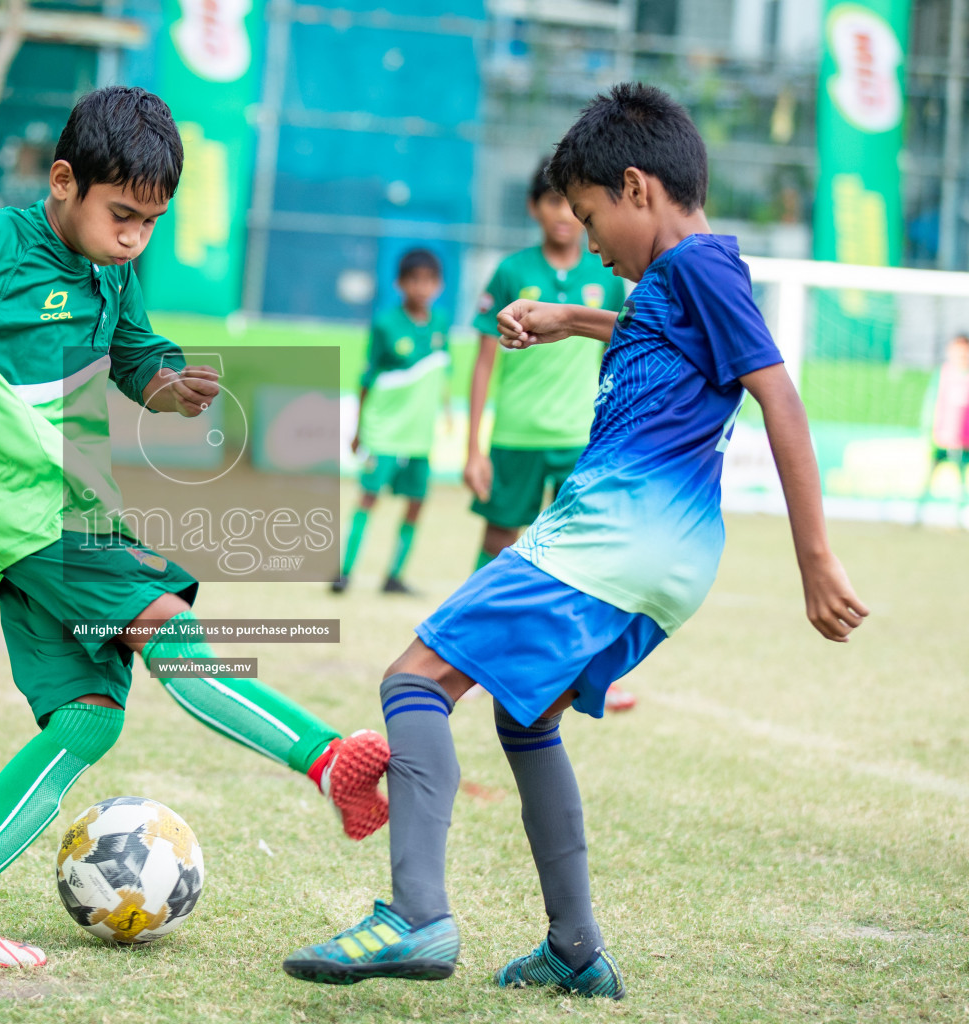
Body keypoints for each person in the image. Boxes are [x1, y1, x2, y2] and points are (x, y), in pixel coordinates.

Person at [0, 86, 390, 969]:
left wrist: (169, 383)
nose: (135, 235)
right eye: (123, 214)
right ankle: (331, 761)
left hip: (64, 519)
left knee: (88, 719)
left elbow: (136, 353)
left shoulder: (111, 267)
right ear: (63, 181)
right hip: (41, 517)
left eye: (151, 221)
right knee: (171, 630)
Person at [282, 83, 868, 998]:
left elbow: (778, 394)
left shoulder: (702, 268)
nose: (588, 241)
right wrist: (571, 320)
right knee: (528, 718)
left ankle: (414, 916)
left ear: (638, 188)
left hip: (607, 539)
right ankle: (576, 948)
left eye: (592, 217)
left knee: (413, 680)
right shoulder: (677, 280)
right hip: (665, 561)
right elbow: (661, 335)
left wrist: (816, 560)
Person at [467, 159, 637, 713]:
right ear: (534, 208)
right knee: (499, 541)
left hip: (578, 437)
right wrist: (473, 445)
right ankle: (467, 648)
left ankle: (588, 671)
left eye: (570, 204)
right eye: (550, 202)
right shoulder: (511, 271)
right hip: (515, 434)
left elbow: (624, 347)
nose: (562, 215)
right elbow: (483, 362)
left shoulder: (606, 274)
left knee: (583, 554)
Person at [333, 248, 453, 595]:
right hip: (384, 433)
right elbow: (366, 378)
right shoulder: (386, 324)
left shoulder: (441, 323)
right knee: (369, 497)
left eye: (429, 281)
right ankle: (345, 572)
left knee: (416, 502)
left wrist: (445, 410)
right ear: (400, 283)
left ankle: (394, 576)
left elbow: (442, 370)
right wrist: (357, 430)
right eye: (414, 280)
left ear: (439, 285)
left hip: (419, 435)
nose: (422, 288)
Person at [915, 333, 969, 524]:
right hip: (941, 437)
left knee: (961, 480)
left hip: (964, 441)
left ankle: (958, 517)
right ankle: (918, 514)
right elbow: (931, 404)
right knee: (930, 475)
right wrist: (928, 432)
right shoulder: (944, 374)